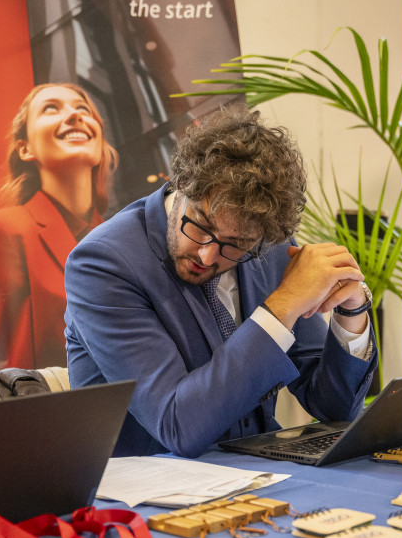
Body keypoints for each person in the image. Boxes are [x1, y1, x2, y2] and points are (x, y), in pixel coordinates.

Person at [64, 106, 377, 458]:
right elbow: (177, 426)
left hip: (255, 474)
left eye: (237, 244)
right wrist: (282, 307)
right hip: (146, 494)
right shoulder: (103, 263)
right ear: (179, 185)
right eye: (200, 226)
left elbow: (333, 408)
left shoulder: (271, 250)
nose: (207, 256)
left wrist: (352, 312)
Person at [0, 83, 118, 370]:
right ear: (25, 148)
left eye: (83, 109)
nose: (75, 116)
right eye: (51, 108)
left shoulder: (122, 240)